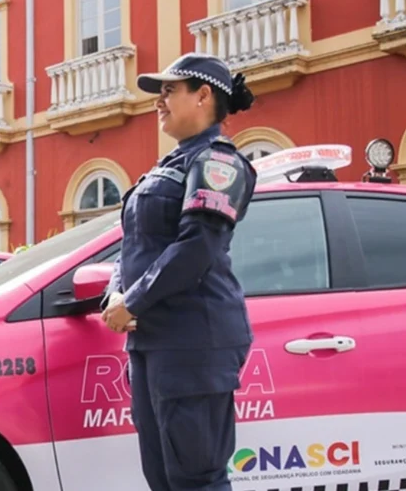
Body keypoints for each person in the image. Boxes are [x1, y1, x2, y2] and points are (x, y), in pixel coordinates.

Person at [100, 52, 257, 491]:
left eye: (169, 91)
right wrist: (115, 293)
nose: (159, 101)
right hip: (154, 343)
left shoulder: (217, 162)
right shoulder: (170, 165)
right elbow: (136, 243)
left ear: (203, 96)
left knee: (196, 480)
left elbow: (197, 248)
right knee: (163, 478)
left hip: (194, 344)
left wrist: (133, 300)